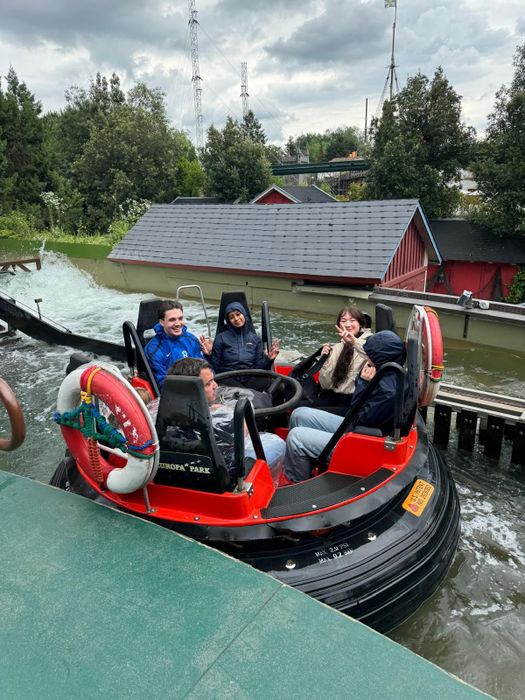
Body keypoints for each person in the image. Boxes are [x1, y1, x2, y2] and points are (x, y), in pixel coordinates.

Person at [282, 331, 406, 484]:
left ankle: (298, 483)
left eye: (369, 354)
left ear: (379, 357)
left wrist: (362, 383)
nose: (365, 357)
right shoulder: (386, 373)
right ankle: (304, 461)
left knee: (296, 438)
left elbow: (360, 415)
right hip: (354, 427)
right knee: (299, 414)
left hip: (359, 442)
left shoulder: (387, 391)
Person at [149, 358, 285, 483]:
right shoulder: (223, 419)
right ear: (192, 389)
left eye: (213, 380)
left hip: (178, 474)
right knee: (278, 443)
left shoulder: (157, 412)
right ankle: (273, 484)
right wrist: (223, 409)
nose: (216, 385)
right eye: (208, 384)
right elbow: (245, 431)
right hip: (220, 476)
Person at [298, 306, 372, 414]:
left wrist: (354, 342)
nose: (347, 325)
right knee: (295, 404)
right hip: (332, 396)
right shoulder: (337, 347)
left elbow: (375, 358)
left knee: (303, 412)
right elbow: (326, 385)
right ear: (339, 325)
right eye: (343, 321)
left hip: (352, 402)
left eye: (352, 320)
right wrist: (325, 360)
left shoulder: (370, 342)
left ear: (360, 324)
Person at [211, 301, 280, 389]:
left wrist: (269, 359)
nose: (236, 319)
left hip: (250, 378)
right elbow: (214, 365)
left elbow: (259, 367)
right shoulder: (221, 338)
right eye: (231, 317)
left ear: (244, 314)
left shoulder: (255, 339)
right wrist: (208, 354)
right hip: (228, 379)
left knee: (278, 386)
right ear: (229, 321)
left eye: (238, 314)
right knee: (243, 393)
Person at [145, 300, 212, 389]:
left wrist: (209, 356)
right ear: (161, 322)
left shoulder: (191, 340)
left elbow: (206, 370)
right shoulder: (154, 350)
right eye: (172, 320)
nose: (178, 323)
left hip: (201, 388)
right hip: (179, 394)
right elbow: (163, 385)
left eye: (180, 318)